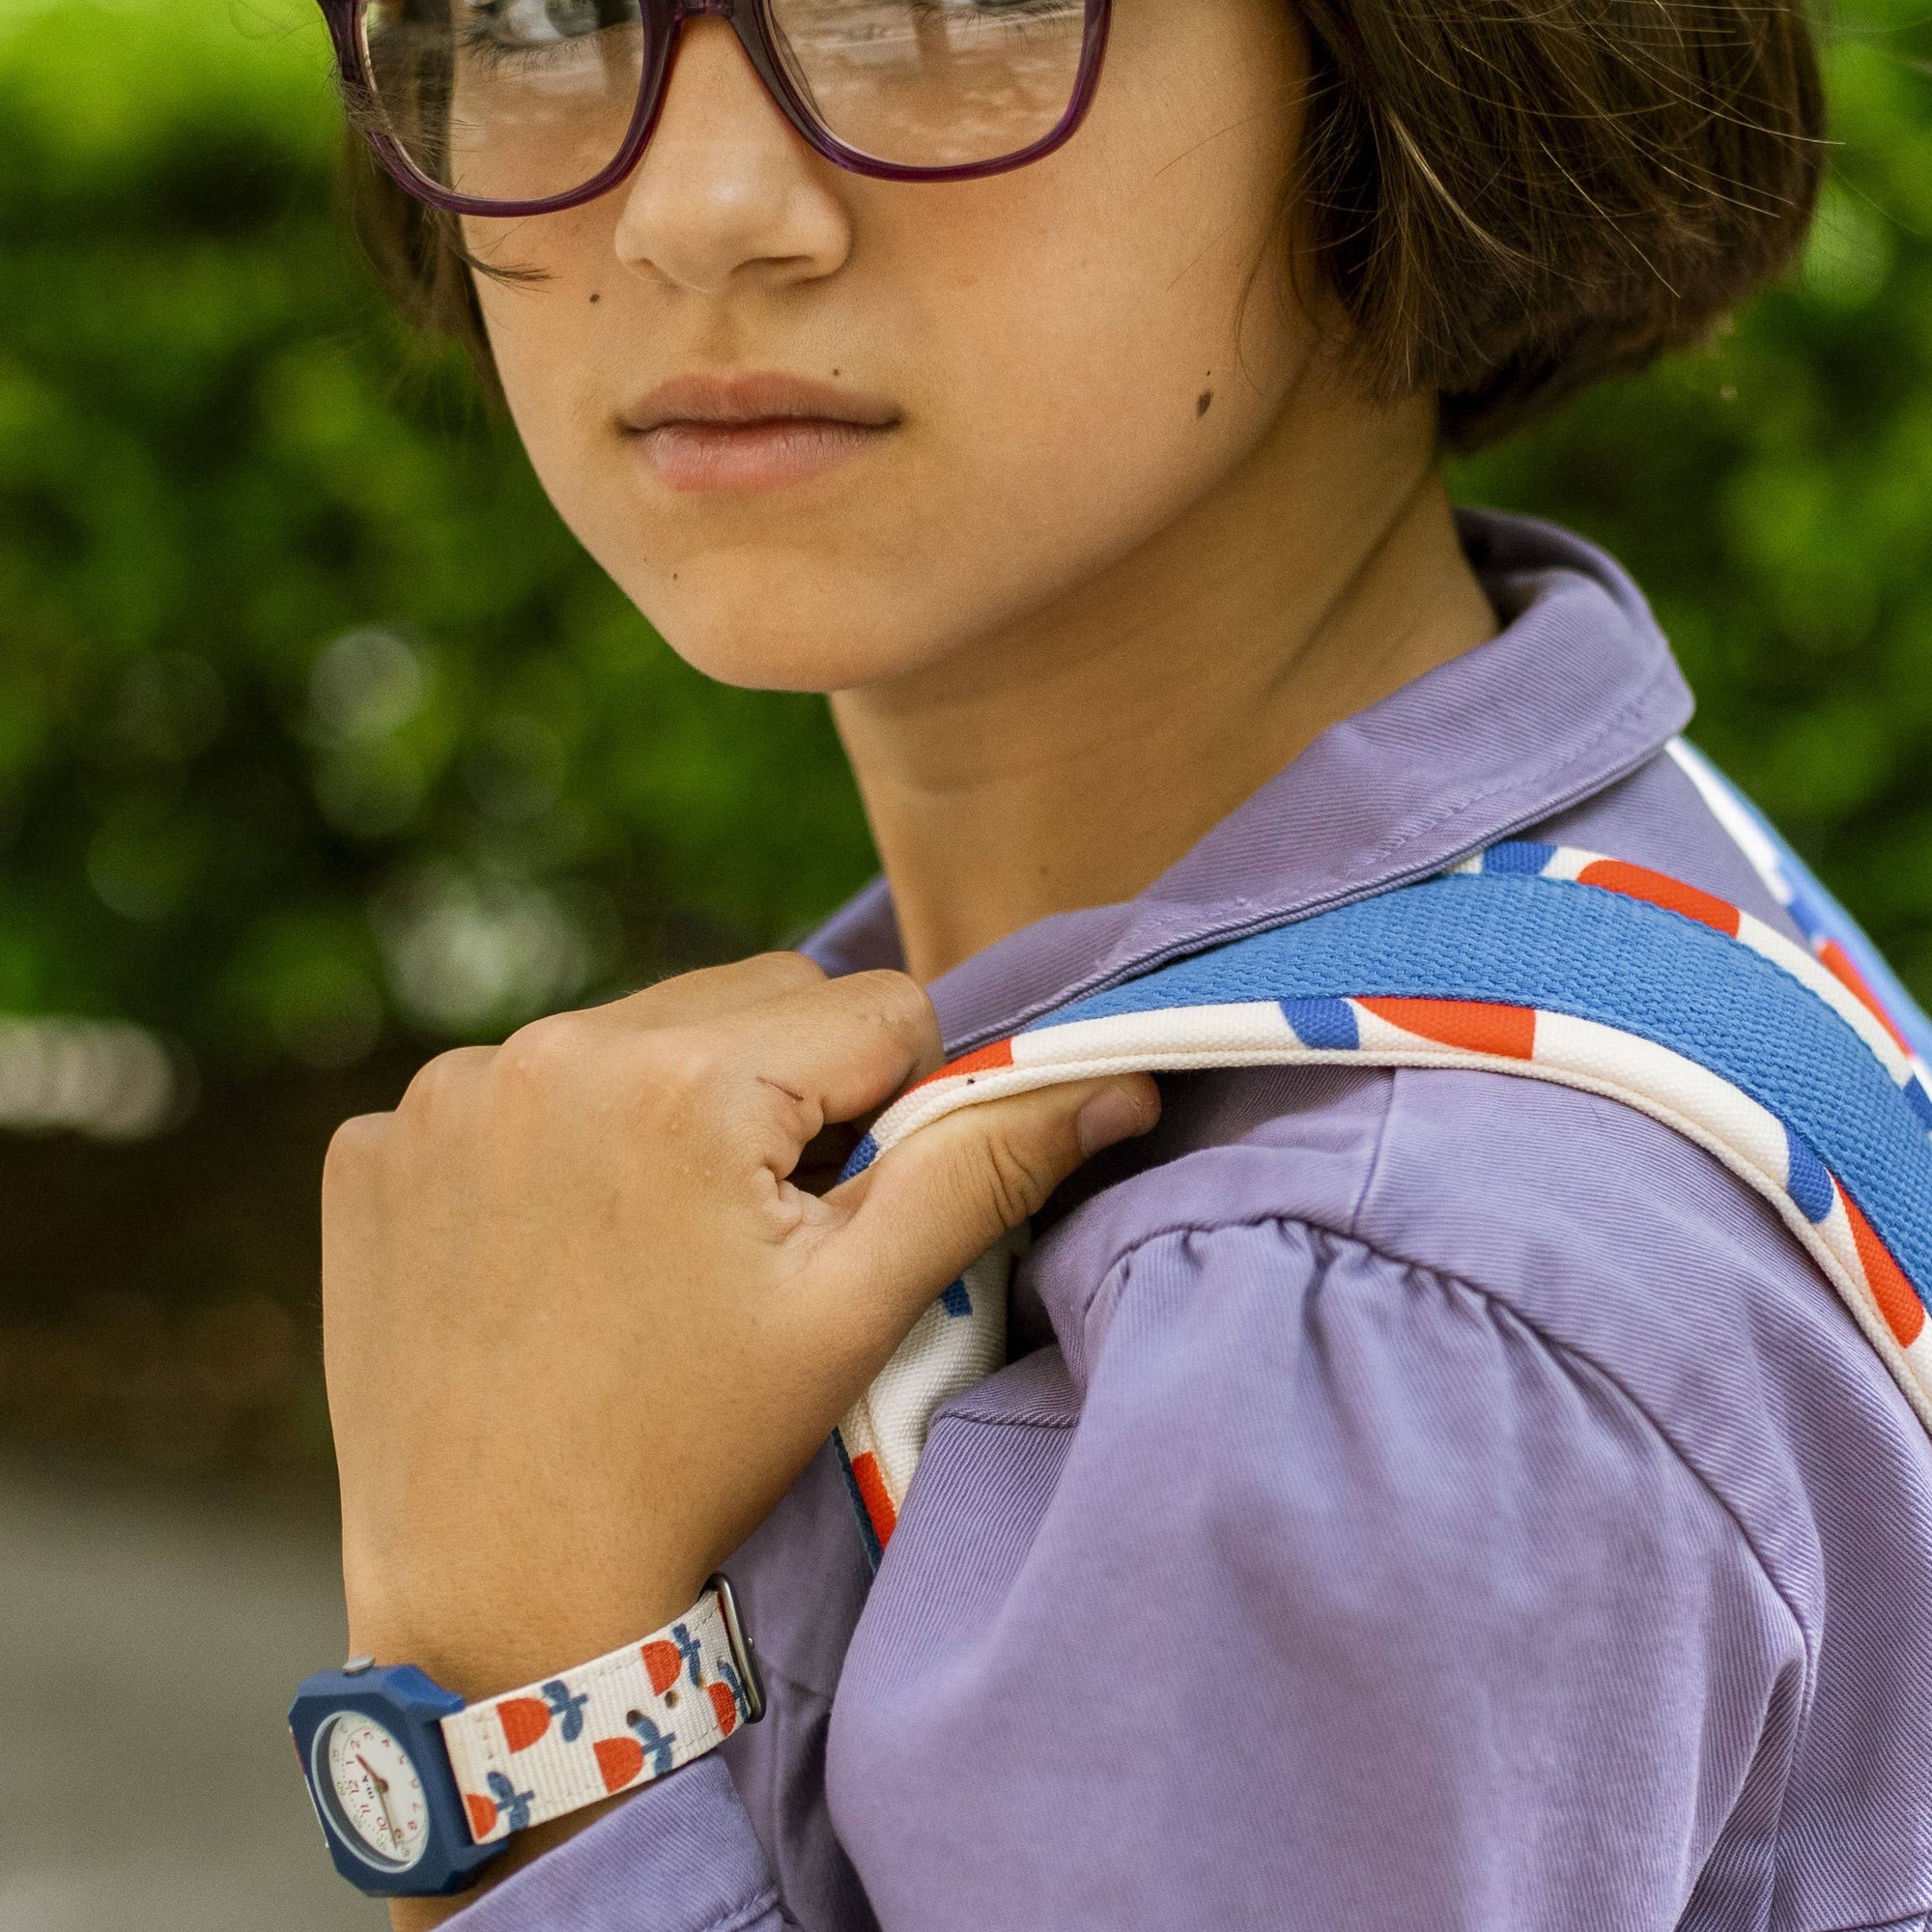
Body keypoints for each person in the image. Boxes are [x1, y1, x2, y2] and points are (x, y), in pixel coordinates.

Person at [307, 0, 1932, 1924]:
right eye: (535, 11)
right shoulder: (1616, 880)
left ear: (1388, 68)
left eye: (938, 5)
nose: (699, 208)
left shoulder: (1356, 1325)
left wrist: (525, 1699)